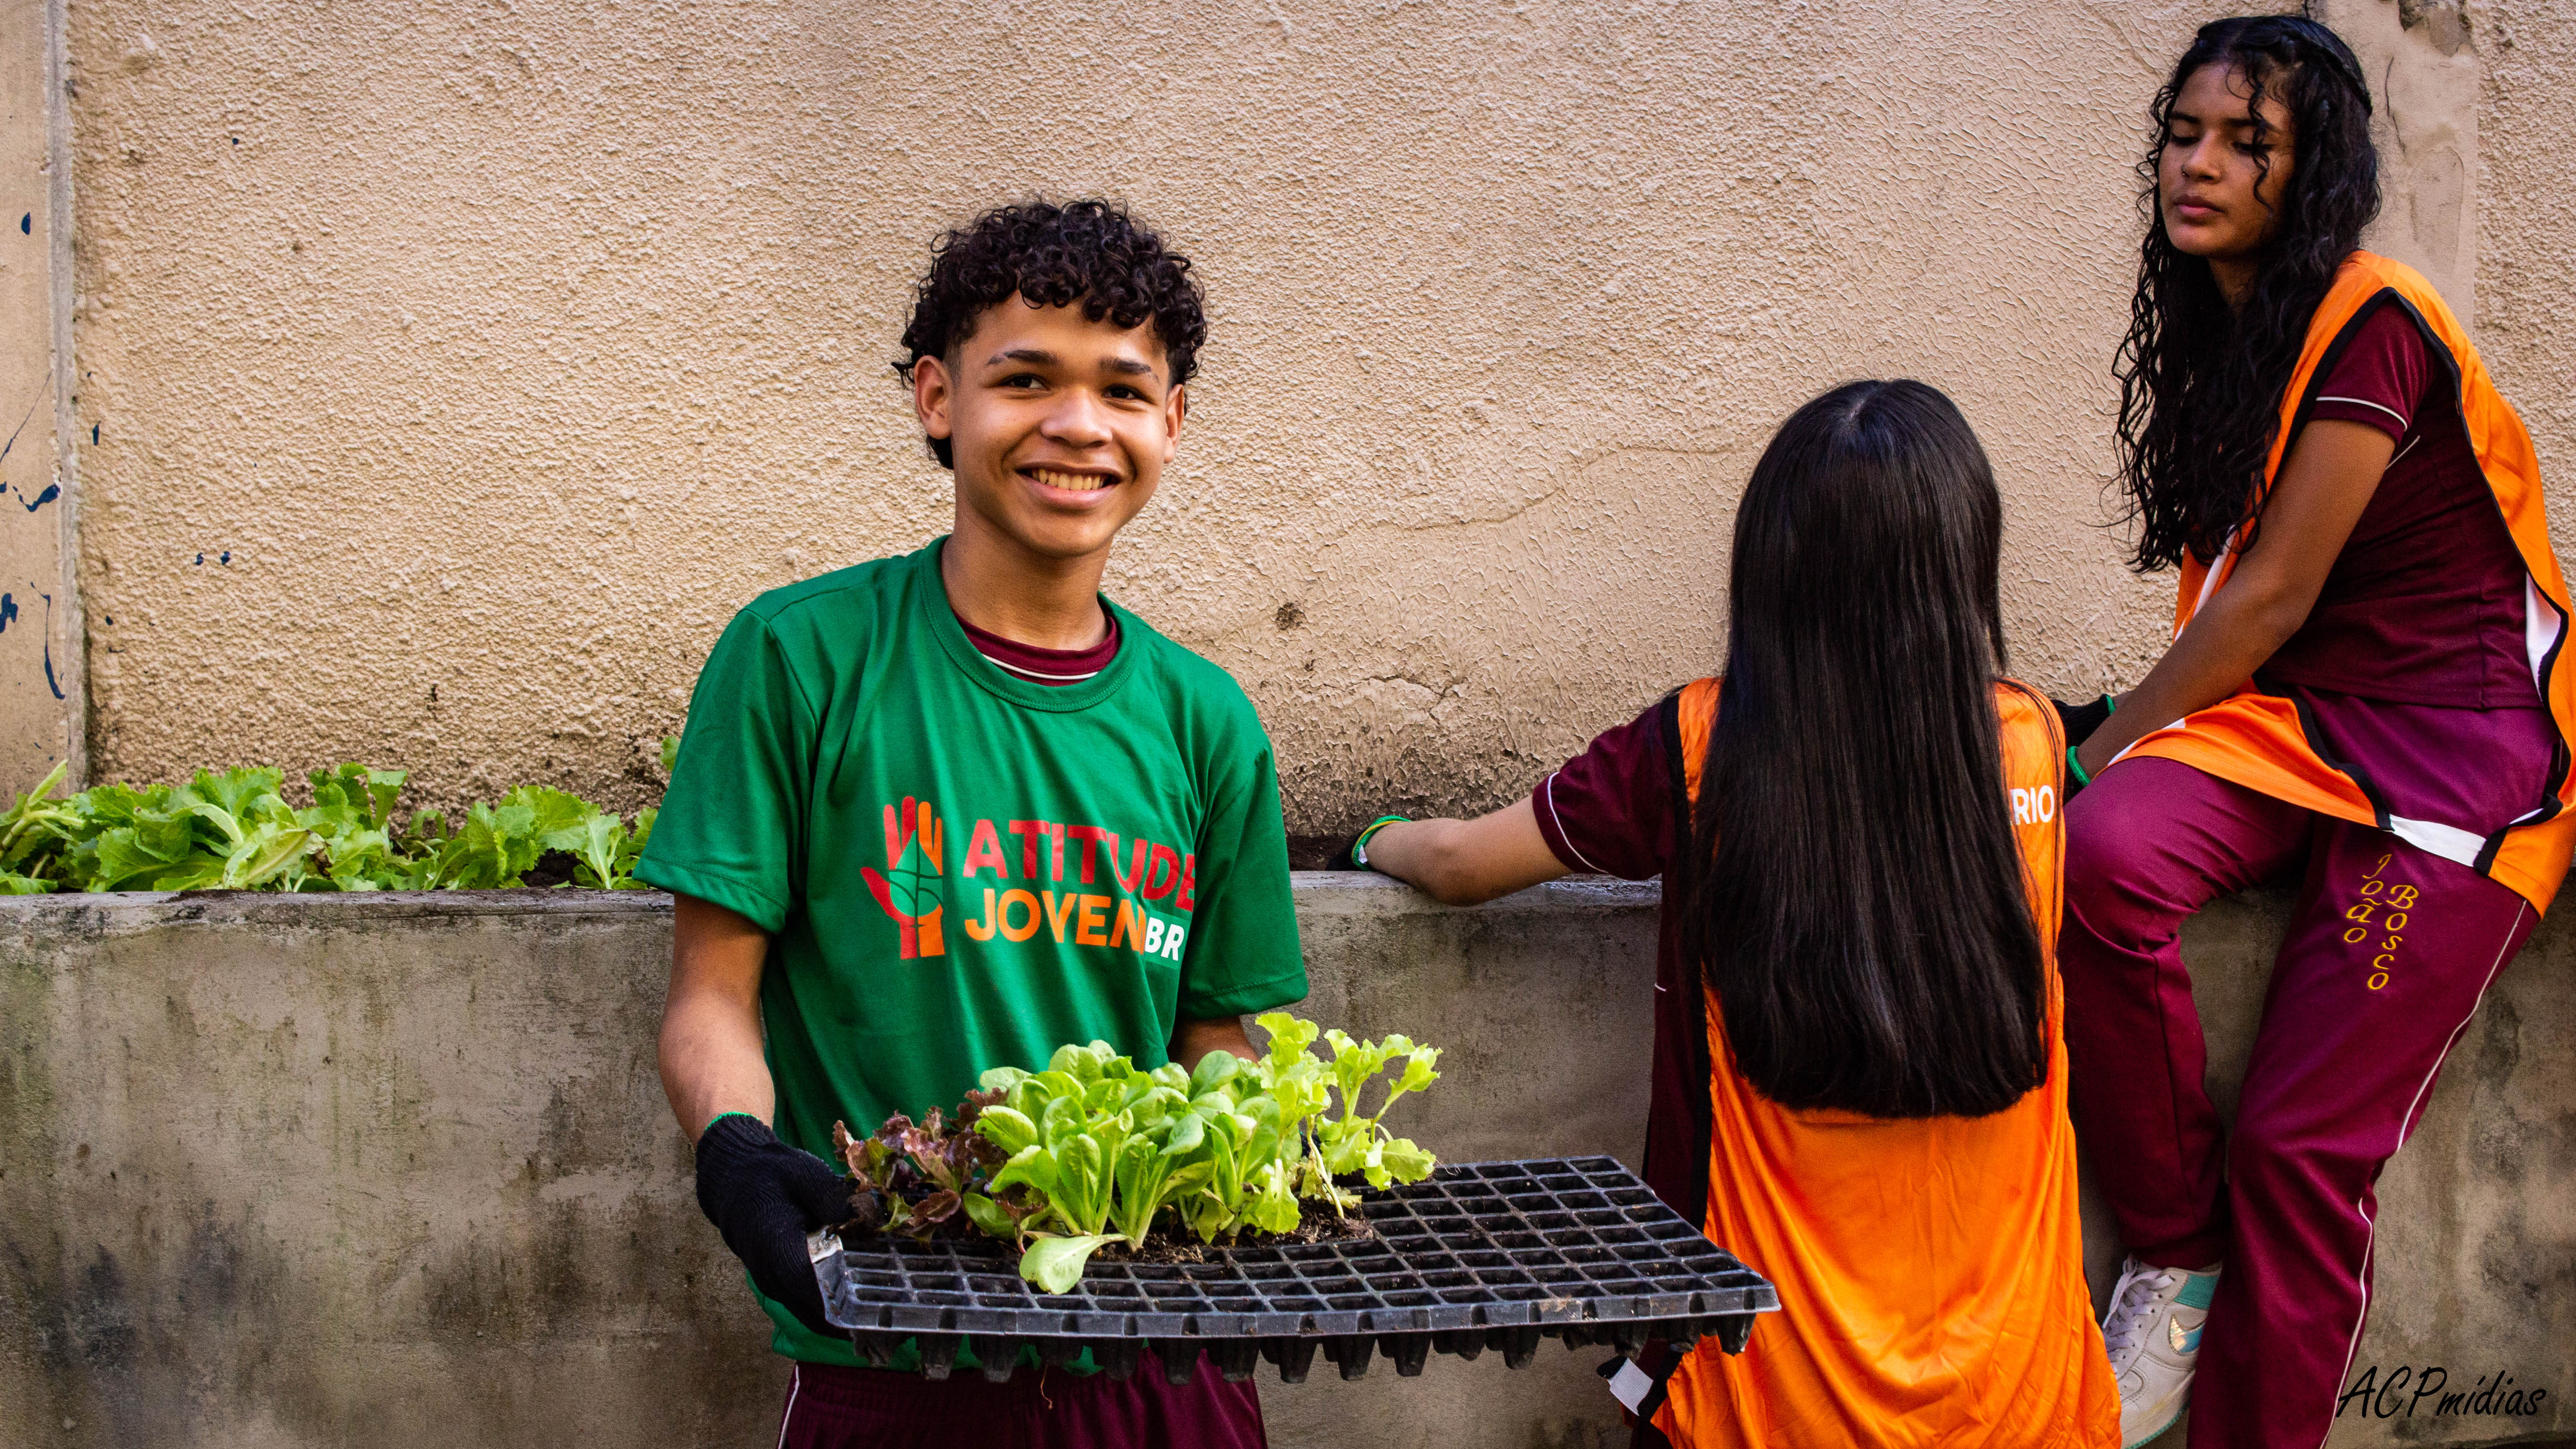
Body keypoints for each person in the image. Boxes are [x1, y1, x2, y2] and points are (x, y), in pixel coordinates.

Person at [640, 199, 1309, 1449]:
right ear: (938, 399)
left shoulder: (1205, 719)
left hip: (1159, 1362)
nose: (1076, 425)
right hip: (897, 1354)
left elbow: (1219, 1029)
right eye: (1026, 380)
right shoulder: (800, 658)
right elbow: (712, 995)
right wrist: (732, 1150)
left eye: (1122, 389)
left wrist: (1284, 1151)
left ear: (1171, 423)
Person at [1350, 381, 2118, 1448]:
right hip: (2016, 1394)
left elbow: (1459, 863)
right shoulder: (2031, 741)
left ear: (1771, 562)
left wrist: (1366, 838)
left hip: (1760, 1398)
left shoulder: (1695, 748)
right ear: (1964, 560)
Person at [2054, 17, 2576, 1448]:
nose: (2200, 164)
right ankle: (2175, 1247)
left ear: (2313, 171)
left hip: (2451, 767)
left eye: (2245, 142)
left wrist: (2097, 741)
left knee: (2299, 1146)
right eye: (2185, 133)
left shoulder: (2374, 320)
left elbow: (2269, 598)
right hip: (2297, 726)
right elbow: (2254, 624)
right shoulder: (2238, 332)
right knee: (2091, 856)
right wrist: (2093, 756)